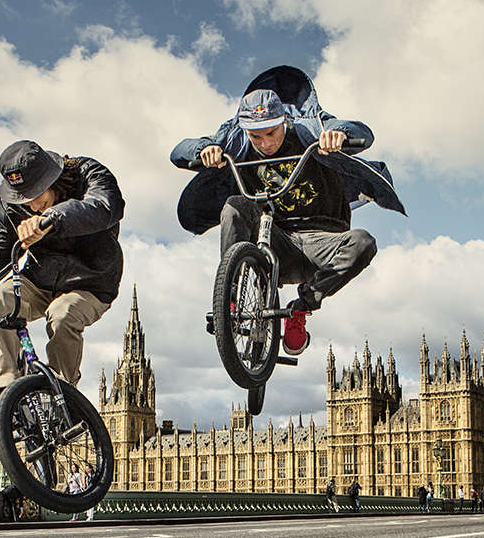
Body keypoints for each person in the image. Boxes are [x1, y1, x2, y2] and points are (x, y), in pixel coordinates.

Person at [171, 66, 405, 356]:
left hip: (323, 241)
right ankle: (228, 299)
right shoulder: (236, 141)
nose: (265, 144)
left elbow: (363, 133)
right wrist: (205, 148)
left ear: (283, 120)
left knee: (364, 242)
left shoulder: (311, 129)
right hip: (276, 238)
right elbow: (178, 151)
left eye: (271, 132)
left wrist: (338, 135)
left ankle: (301, 309)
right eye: (256, 137)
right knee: (234, 206)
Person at [0, 140, 124, 390]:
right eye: (24, 200)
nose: (33, 206)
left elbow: (106, 206)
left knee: (62, 314)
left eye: (37, 194)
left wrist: (50, 219)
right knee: (1, 297)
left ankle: (64, 392)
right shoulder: (11, 207)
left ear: (53, 179)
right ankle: (7, 388)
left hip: (91, 282)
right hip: (39, 280)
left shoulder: (89, 174)